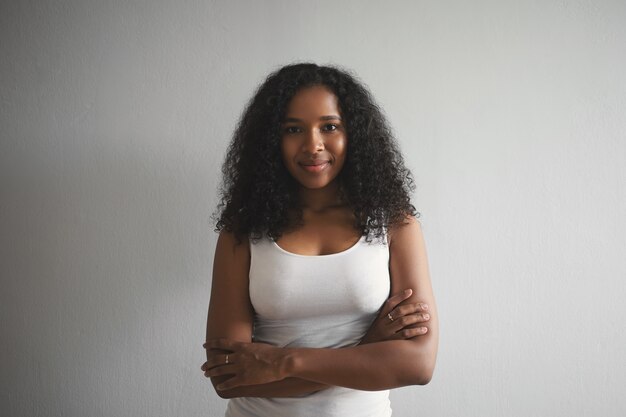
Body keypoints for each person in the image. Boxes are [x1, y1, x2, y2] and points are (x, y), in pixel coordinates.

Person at [202, 63, 438, 417]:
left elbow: (418, 365)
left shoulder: (395, 226)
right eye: (293, 129)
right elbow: (229, 381)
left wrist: (283, 362)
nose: (313, 145)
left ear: (354, 134)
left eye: (330, 126)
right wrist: (369, 347)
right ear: (271, 140)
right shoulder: (242, 233)